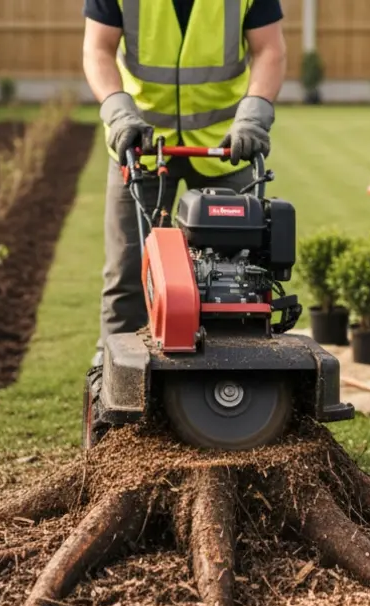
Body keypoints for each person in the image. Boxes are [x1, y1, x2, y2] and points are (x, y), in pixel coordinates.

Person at [82, 0, 287, 363]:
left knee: (240, 275)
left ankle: (237, 371)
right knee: (128, 273)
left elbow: (269, 49)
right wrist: (117, 112)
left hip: (226, 148)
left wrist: (254, 114)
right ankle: (116, 372)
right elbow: (98, 49)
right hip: (141, 145)